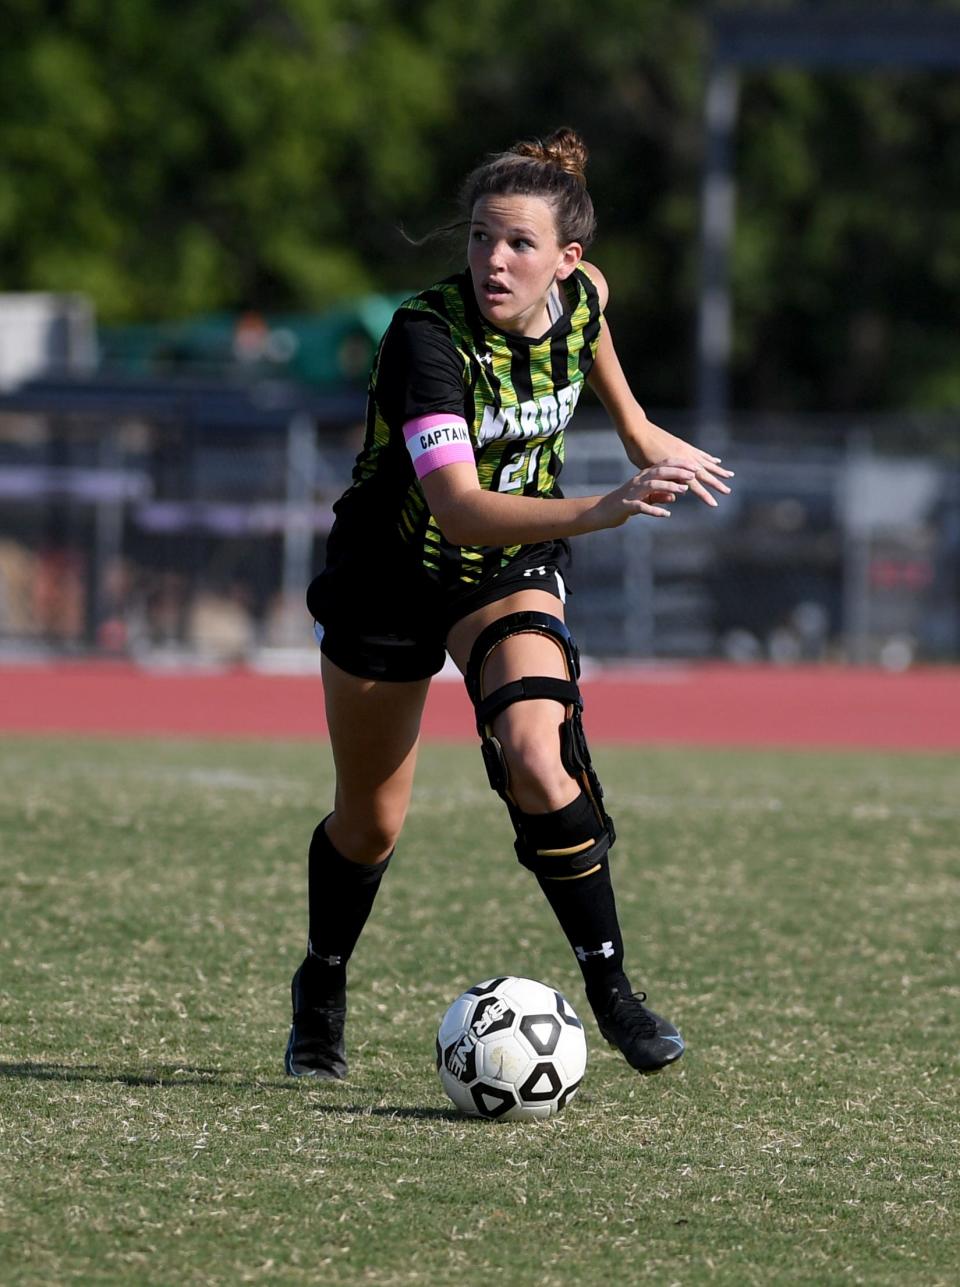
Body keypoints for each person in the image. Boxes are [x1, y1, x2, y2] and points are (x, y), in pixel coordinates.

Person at [286, 127, 733, 1081]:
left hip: (503, 570)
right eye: (483, 237)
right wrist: (605, 510)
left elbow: (593, 324)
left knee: (539, 751)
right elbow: (456, 504)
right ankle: (322, 981)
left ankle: (613, 992)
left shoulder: (584, 295)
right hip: (391, 575)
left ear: (565, 260)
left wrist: (638, 426)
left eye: (520, 243)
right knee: (369, 823)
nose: (495, 258)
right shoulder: (425, 337)